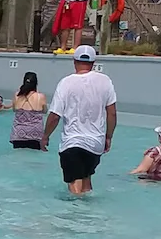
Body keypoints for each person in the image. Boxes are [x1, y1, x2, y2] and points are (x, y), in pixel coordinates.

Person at [44, 46, 117, 195]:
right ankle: (90, 214)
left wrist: (45, 136)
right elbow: (112, 113)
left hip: (72, 142)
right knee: (86, 180)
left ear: (74, 61)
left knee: (74, 185)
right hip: (95, 143)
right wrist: (108, 137)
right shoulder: (105, 81)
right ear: (93, 62)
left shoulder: (66, 83)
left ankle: (77, 216)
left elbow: (54, 116)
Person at [10, 71, 47, 149]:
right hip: (35, 133)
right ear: (36, 83)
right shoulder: (41, 97)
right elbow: (45, 111)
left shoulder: (17, 95)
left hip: (19, 133)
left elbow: (14, 109)